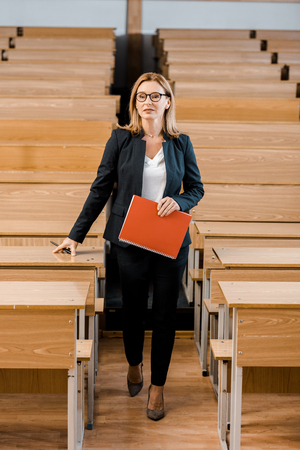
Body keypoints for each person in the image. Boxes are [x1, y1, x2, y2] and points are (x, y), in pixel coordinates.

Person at [53, 72, 204, 421]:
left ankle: (158, 388)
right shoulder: (121, 139)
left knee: (164, 315)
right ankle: (134, 363)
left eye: (155, 95)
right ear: (134, 102)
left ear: (168, 101)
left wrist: (180, 203)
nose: (148, 102)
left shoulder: (181, 142)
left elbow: (196, 188)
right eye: (141, 96)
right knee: (133, 310)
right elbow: (100, 188)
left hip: (169, 241)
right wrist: (75, 235)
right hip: (129, 239)